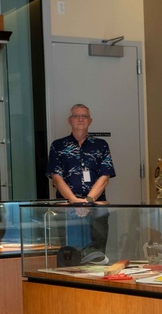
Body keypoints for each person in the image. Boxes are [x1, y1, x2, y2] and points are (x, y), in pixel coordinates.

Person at [45, 103, 115, 254]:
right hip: (66, 207)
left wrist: (87, 202)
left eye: (85, 116)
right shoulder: (58, 146)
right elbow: (56, 178)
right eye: (77, 116)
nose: (81, 119)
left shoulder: (101, 145)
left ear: (90, 121)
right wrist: (75, 201)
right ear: (69, 120)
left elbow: (105, 177)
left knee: (97, 253)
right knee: (68, 253)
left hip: (96, 207)